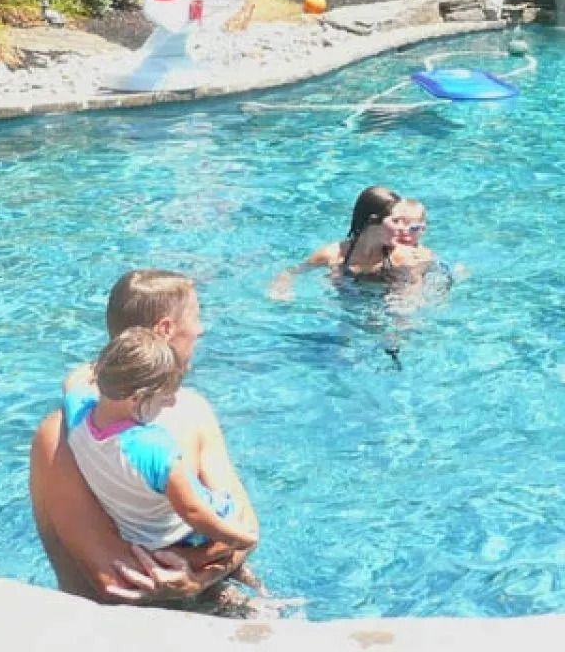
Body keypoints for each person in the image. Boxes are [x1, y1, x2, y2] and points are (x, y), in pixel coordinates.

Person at [29, 269, 260, 604]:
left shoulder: (193, 409)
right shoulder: (58, 437)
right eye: (196, 317)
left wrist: (198, 578)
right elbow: (113, 579)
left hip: (198, 595)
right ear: (165, 330)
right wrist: (206, 564)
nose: (201, 329)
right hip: (111, 621)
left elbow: (247, 525)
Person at [64, 327, 258, 555]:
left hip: (137, 537)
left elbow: (73, 380)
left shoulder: (77, 414)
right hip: (187, 535)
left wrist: (110, 364)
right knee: (237, 511)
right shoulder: (153, 447)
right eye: (165, 397)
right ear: (137, 398)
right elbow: (193, 511)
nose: (171, 403)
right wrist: (239, 539)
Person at [270, 186, 437, 299]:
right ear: (372, 221)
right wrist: (281, 287)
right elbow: (292, 272)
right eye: (396, 221)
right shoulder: (332, 254)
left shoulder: (405, 257)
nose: (402, 228)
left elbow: (417, 290)